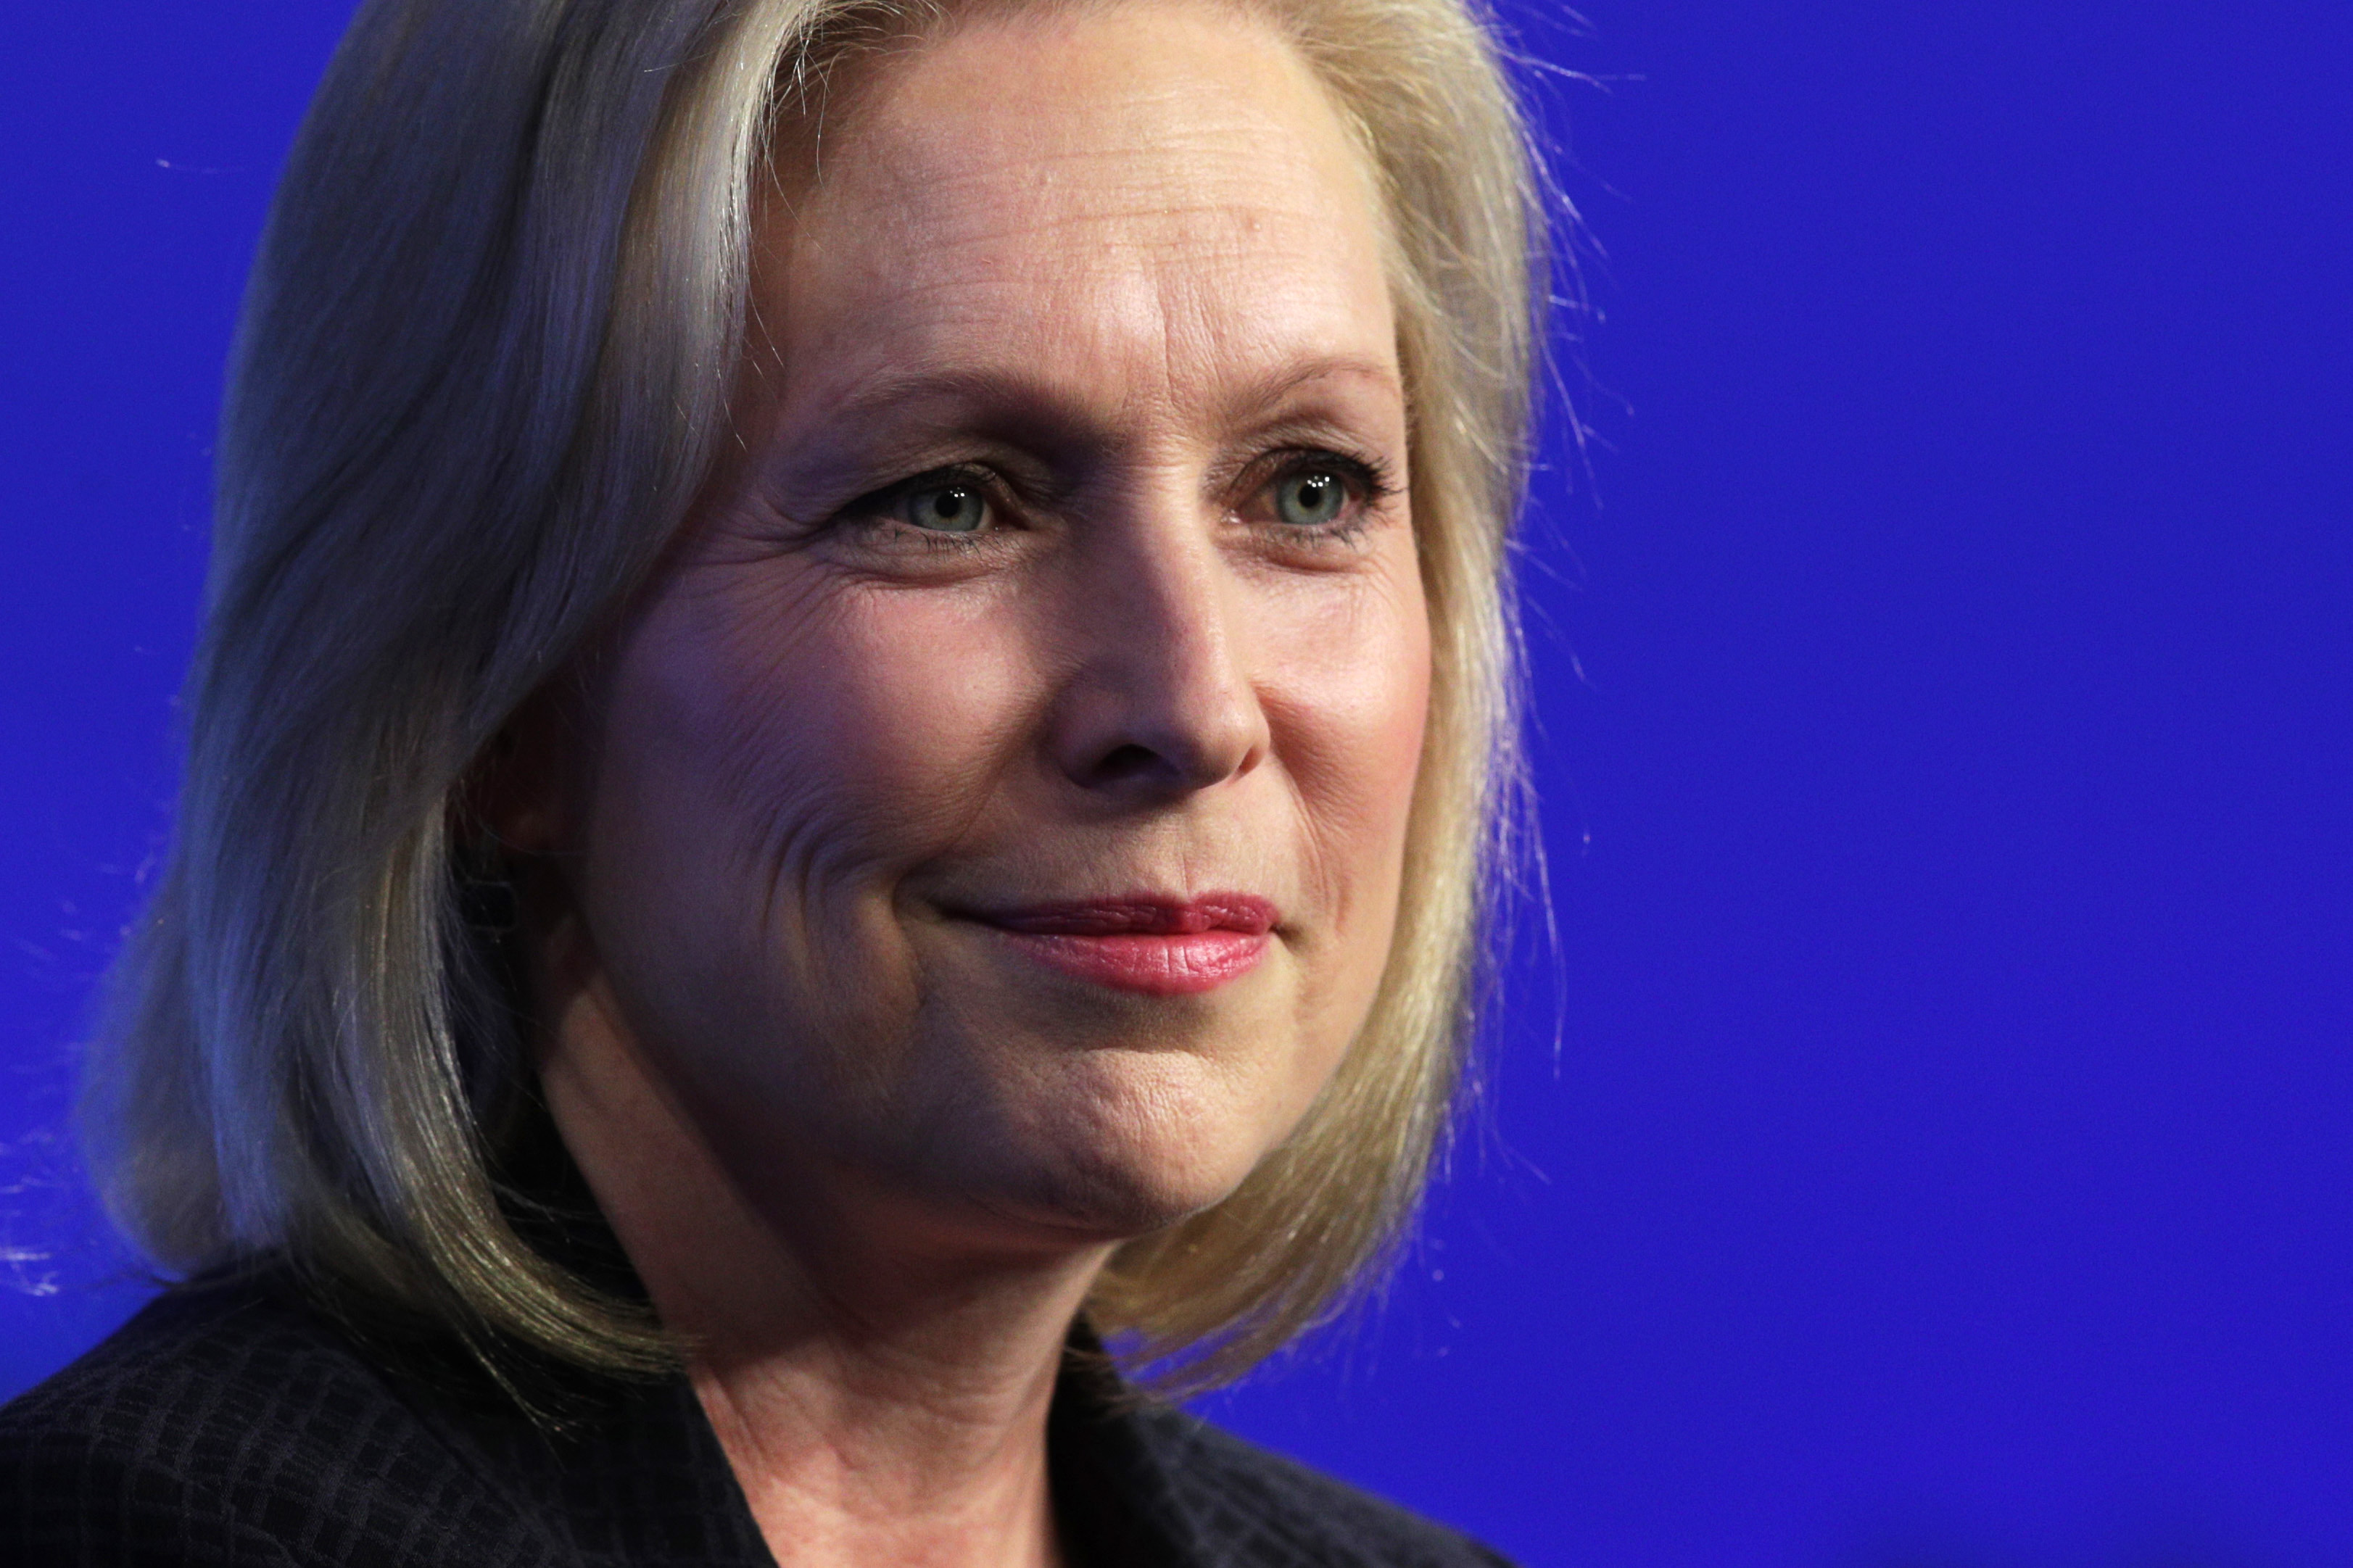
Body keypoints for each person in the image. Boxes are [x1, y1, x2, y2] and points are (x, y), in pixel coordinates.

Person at [0, 0, 1548, 1560]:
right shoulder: (151, 1529)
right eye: (951, 501)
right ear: (486, 697)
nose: (1192, 704)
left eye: (1308, 486)